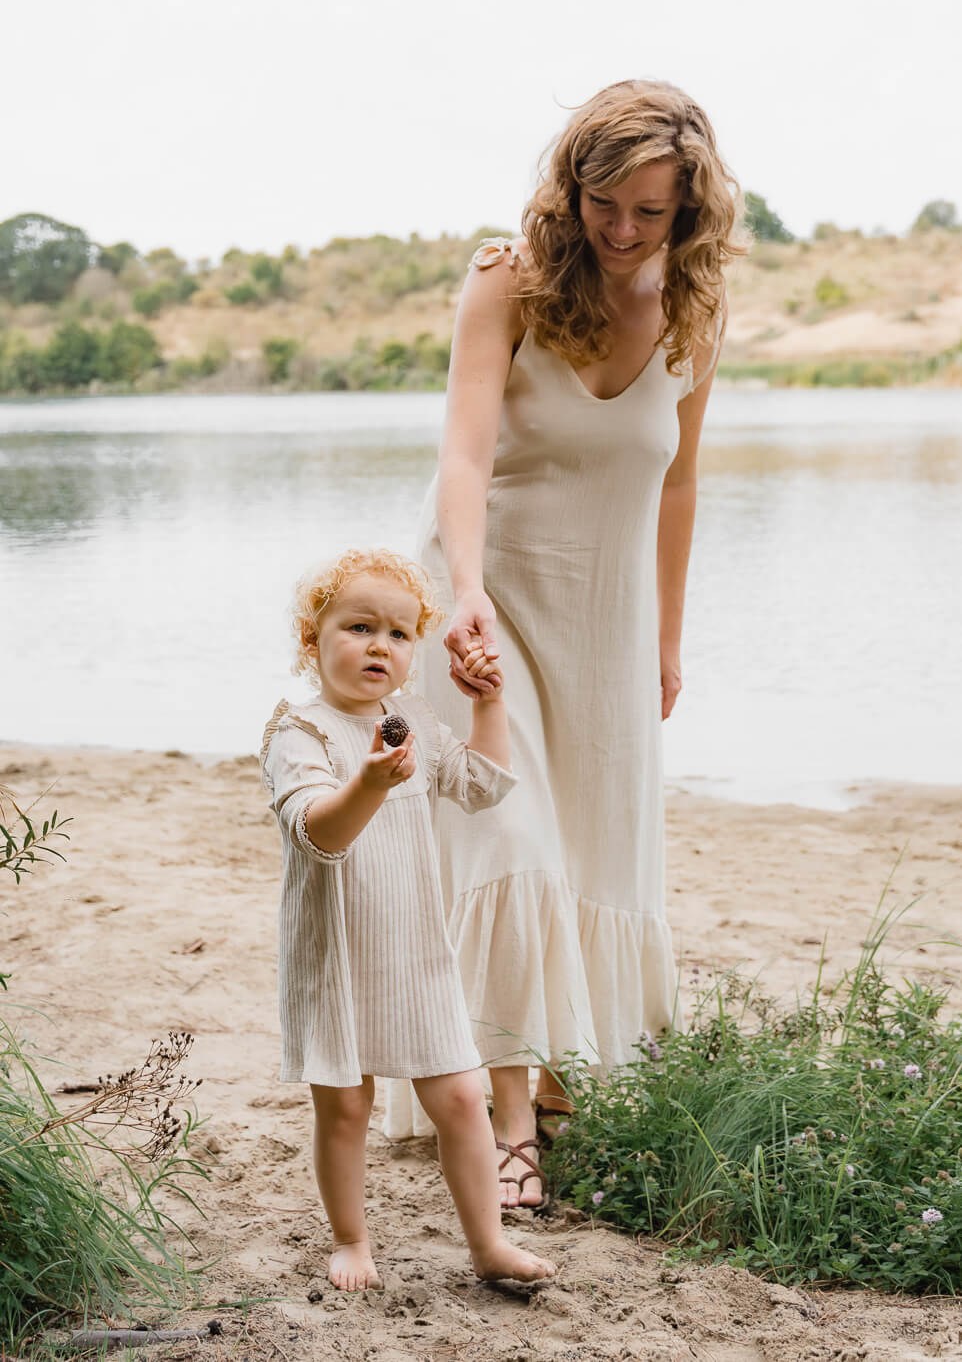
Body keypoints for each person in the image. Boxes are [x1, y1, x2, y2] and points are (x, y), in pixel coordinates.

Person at [384, 78, 746, 1207]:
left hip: (609, 621)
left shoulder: (696, 312)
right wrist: (465, 592)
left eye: (651, 210)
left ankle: (551, 1081)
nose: (625, 229)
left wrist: (666, 638)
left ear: (689, 209)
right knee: (511, 847)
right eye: (605, 202)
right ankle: (508, 1130)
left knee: (591, 853)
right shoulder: (507, 280)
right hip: (485, 604)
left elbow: (676, 485)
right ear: (571, 185)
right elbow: (463, 453)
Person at [260, 548, 554, 1290]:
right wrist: (366, 780)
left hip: (416, 946)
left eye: (398, 634)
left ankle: (488, 1245)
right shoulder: (300, 733)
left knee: (461, 1096)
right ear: (311, 638)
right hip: (338, 955)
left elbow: (482, 786)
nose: (378, 647)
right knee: (346, 1107)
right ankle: (352, 1240)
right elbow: (319, 834)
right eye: (359, 627)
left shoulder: (411, 719)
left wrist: (488, 703)